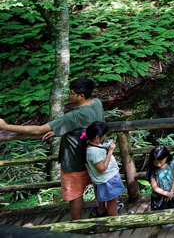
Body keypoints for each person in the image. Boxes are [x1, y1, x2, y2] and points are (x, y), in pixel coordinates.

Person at [0, 78, 104, 220]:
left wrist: (5, 127)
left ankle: (78, 223)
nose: (69, 95)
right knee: (99, 183)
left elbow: (39, 130)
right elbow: (87, 127)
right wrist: (61, 129)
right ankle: (102, 211)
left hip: (75, 161)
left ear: (81, 96)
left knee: (75, 194)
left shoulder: (74, 115)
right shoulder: (96, 103)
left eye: (71, 93)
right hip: (95, 156)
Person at [84, 121, 127, 218]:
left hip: (101, 179)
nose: (104, 136)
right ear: (96, 136)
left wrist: (106, 146)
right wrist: (110, 152)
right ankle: (114, 218)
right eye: (103, 135)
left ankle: (101, 211)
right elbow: (102, 169)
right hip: (108, 179)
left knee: (104, 197)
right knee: (112, 200)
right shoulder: (93, 152)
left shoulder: (89, 144)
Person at [147, 145, 174, 238]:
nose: (158, 165)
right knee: (162, 210)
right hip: (159, 195)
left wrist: (171, 192)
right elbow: (155, 188)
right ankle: (167, 222)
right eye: (155, 163)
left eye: (160, 162)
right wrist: (166, 194)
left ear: (166, 157)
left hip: (172, 191)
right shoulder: (152, 170)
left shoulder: (172, 163)